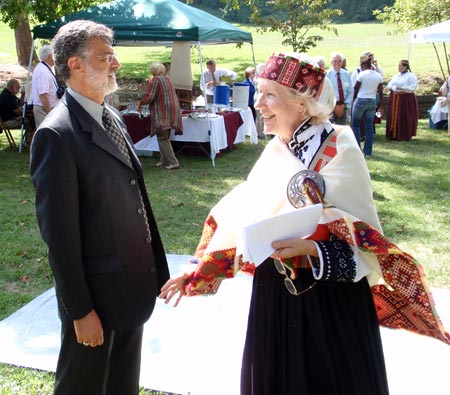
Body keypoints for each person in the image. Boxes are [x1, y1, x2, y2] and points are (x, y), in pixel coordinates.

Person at [159, 52, 450, 394]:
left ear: (301, 103)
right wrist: (198, 268)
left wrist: (312, 248)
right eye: (258, 93)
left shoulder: (340, 146)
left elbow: (362, 235)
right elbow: (239, 215)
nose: (258, 104)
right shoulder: (275, 151)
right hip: (278, 294)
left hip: (332, 302)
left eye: (269, 95)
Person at [30, 20, 170, 395]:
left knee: (122, 386)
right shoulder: (55, 136)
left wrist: (156, 271)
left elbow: (135, 198)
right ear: (75, 64)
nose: (116, 64)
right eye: (106, 56)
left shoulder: (113, 118)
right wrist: (79, 311)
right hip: (95, 301)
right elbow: (59, 238)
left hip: (130, 292)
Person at [137, 62, 183, 170]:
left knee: (162, 137)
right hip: (172, 110)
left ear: (153, 71)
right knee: (163, 136)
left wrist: (141, 102)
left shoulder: (156, 80)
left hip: (163, 111)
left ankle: (173, 162)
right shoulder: (167, 78)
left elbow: (151, 96)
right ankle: (164, 159)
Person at [351, 58, 383, 158]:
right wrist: (381, 105)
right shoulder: (378, 76)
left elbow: (356, 89)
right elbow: (381, 91)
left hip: (361, 99)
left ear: (363, 66)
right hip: (372, 101)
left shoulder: (361, 74)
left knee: (356, 125)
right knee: (369, 127)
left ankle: (357, 149)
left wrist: (353, 101)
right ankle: (368, 152)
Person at [386, 59, 419, 141]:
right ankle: (393, 134)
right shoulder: (396, 75)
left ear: (405, 67)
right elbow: (390, 85)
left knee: (404, 115)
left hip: (405, 99)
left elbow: (413, 87)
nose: (398, 67)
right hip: (394, 98)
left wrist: (403, 88)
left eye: (400, 65)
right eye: (398, 65)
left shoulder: (411, 76)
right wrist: (394, 88)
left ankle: (404, 134)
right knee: (394, 116)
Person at [31, 45, 61, 127]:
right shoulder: (43, 71)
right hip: (44, 110)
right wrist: (50, 113)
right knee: (46, 137)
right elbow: (43, 95)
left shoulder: (44, 68)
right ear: (50, 56)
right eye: (55, 55)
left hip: (47, 109)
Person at [0, 79, 33, 145]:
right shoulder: (6, 96)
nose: (19, 89)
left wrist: (23, 95)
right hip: (7, 122)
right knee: (29, 121)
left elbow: (20, 105)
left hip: (12, 119)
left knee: (30, 119)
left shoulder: (11, 94)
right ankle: (28, 142)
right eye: (18, 87)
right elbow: (19, 112)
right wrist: (29, 112)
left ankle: (28, 141)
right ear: (12, 87)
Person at [326, 51, 353, 125]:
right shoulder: (327, 75)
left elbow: (350, 91)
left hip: (342, 106)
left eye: (339, 61)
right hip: (330, 107)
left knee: (341, 130)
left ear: (342, 62)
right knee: (329, 130)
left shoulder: (346, 74)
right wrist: (334, 106)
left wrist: (344, 105)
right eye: (335, 61)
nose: (337, 63)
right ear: (331, 62)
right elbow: (324, 92)